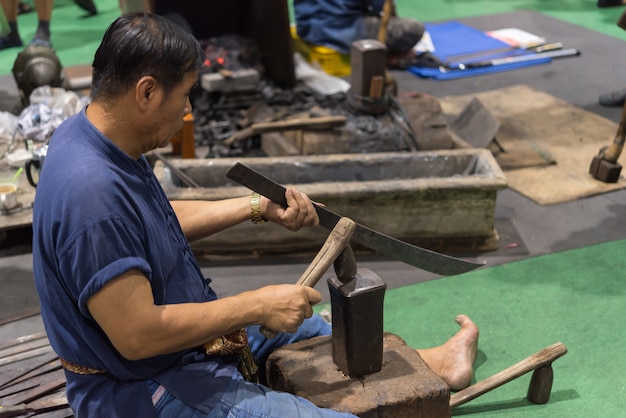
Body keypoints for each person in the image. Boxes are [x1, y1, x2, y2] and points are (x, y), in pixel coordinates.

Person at [32, 12, 478, 417]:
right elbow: (138, 336)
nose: (189, 111)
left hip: (176, 352)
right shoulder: (91, 195)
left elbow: (150, 219)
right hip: (143, 387)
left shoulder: (91, 133)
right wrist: (255, 304)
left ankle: (435, 364)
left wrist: (257, 207)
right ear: (146, 91)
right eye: (185, 95)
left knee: (310, 329)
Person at [293, 0, 432, 69]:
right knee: (413, 29)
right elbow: (379, 7)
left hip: (306, 28)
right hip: (343, 31)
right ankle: (387, 58)